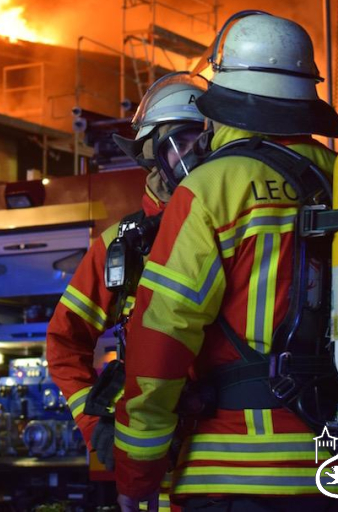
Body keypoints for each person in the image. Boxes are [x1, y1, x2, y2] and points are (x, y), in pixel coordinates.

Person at [114, 12, 338, 511]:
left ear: (225, 101)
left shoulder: (212, 188)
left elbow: (163, 335)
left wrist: (137, 472)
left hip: (240, 472)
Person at [46, 72, 208, 474]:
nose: (195, 157)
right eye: (182, 143)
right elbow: (64, 341)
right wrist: (93, 420)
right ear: (152, 154)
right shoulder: (121, 245)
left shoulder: (237, 225)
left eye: (205, 142)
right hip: (155, 464)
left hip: (226, 451)